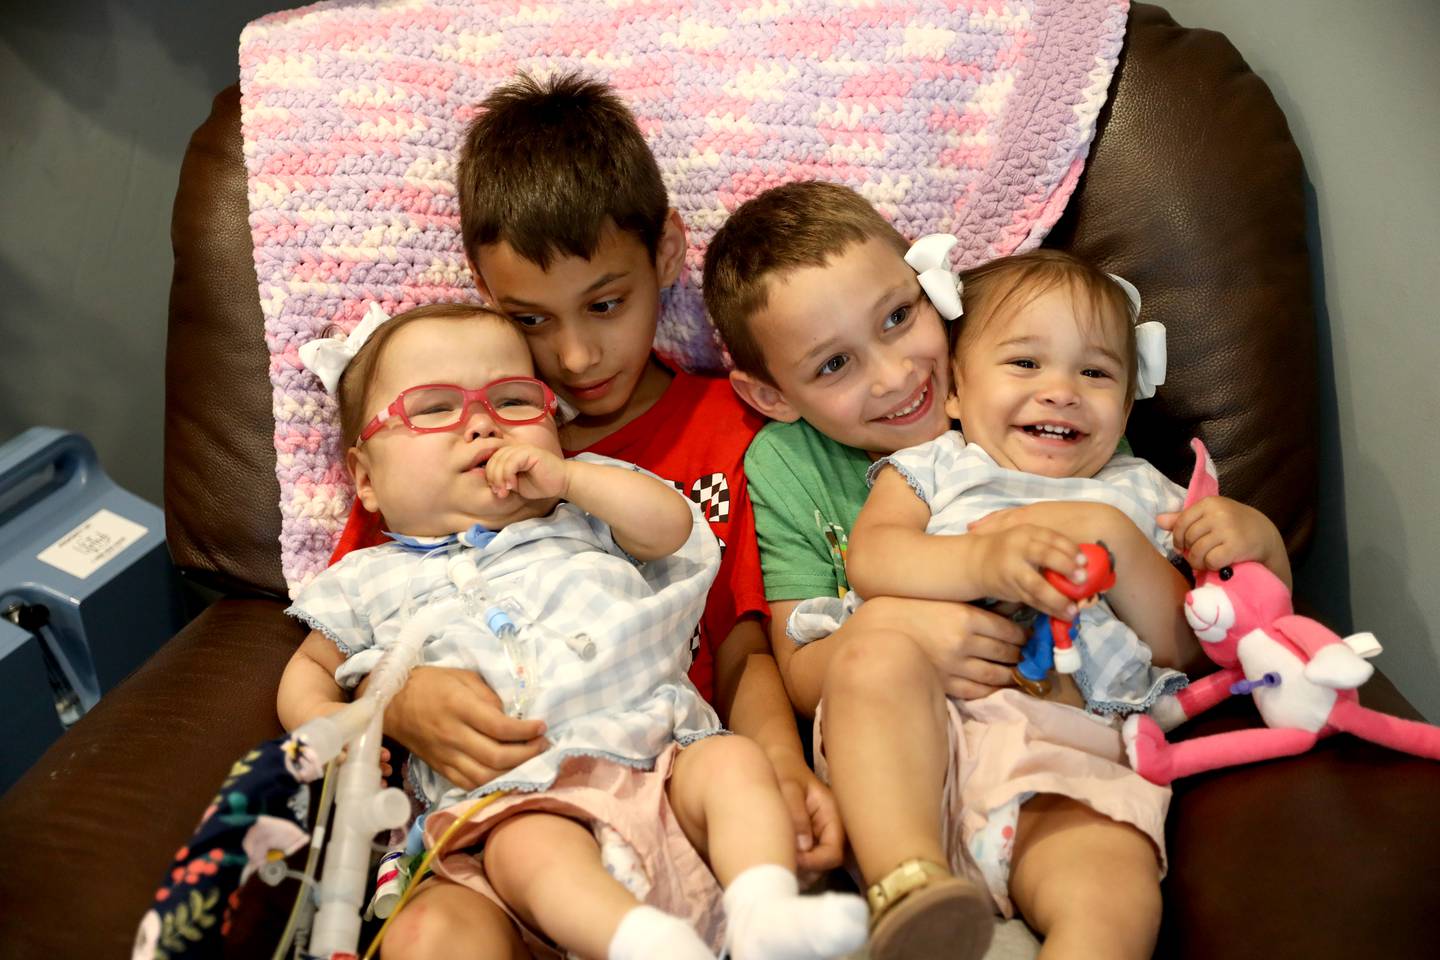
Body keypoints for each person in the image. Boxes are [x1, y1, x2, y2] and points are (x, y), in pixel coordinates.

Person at [703, 182, 1290, 960]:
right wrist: (978, 562)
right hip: (910, 754)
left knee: (1111, 894)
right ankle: (908, 888)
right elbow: (866, 574)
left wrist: (1244, 544)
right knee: (877, 646)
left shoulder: (1128, 481)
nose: (893, 376)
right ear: (772, 395)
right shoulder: (923, 470)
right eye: (837, 362)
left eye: (899, 318)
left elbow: (1208, 630)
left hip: (1066, 753)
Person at [328, 73, 842, 955]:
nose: (574, 355)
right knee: (432, 935)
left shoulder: (733, 427)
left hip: (671, 785)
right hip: (496, 822)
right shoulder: (442, 447)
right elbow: (355, 627)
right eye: (530, 319)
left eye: (606, 304)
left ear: (668, 254)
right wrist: (398, 703)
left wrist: (782, 766)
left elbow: (741, 642)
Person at [278, 302, 867, 960]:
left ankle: (769, 916)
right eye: (436, 408)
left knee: (734, 765)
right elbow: (307, 670)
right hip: (514, 804)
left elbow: (670, 526)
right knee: (526, 848)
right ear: (365, 478)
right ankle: (645, 945)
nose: (482, 424)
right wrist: (329, 728)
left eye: (512, 400)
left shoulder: (581, 512)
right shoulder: (366, 578)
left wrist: (569, 479)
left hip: (660, 769)